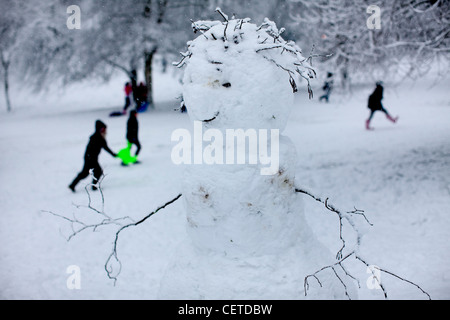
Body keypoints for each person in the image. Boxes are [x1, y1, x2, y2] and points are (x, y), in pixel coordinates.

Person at [69, 120, 117, 192]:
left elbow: (106, 147)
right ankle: (93, 186)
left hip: (92, 158)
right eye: (102, 129)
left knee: (86, 173)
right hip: (90, 158)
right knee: (96, 172)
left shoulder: (100, 137)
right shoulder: (95, 138)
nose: (104, 130)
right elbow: (91, 149)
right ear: (98, 129)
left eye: (104, 129)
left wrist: (113, 154)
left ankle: (73, 185)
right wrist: (91, 158)